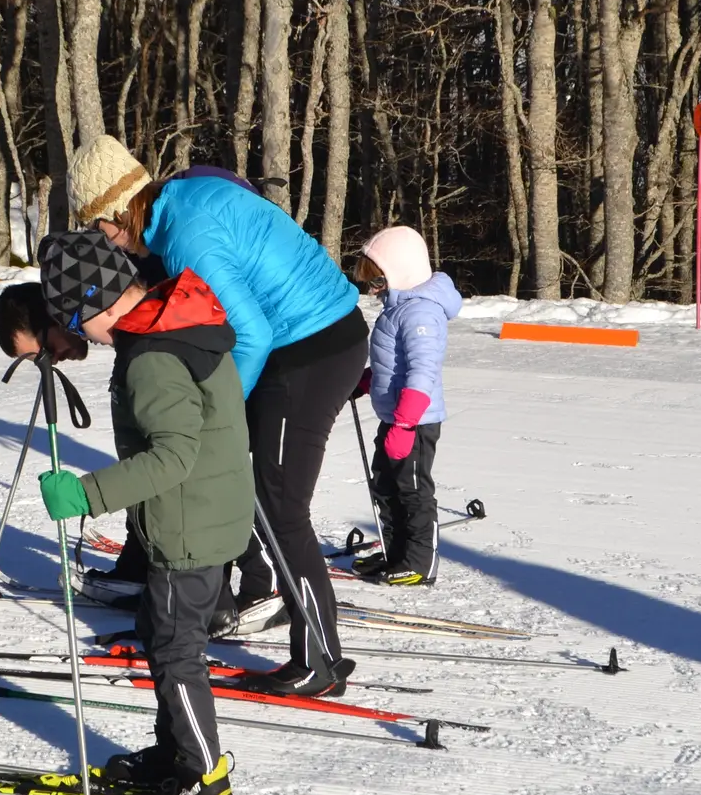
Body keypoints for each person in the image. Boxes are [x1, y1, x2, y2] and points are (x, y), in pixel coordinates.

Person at [68, 135, 365, 697]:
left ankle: (320, 661)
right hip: (300, 341)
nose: (106, 240)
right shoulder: (176, 205)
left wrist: (217, 407)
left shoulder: (186, 238)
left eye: (100, 227)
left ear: (116, 212)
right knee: (230, 474)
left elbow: (251, 334)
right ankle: (208, 609)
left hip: (313, 346)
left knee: (279, 507)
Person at [34, 230, 254, 795]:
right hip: (203, 514)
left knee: (176, 651)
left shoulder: (153, 357)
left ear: (97, 303)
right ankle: (177, 754)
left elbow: (173, 456)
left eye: (78, 323)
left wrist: (87, 494)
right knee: (162, 635)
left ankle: (206, 782)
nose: (83, 337)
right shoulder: (173, 321)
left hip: (189, 526)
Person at [353, 226, 462, 585]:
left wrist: (404, 425)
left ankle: (418, 563)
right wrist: (368, 381)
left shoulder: (420, 314)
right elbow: (394, 364)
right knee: (385, 484)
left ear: (401, 272)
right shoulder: (399, 308)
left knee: (412, 490)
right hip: (396, 418)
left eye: (378, 281)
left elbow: (421, 374)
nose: (373, 290)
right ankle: (394, 552)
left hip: (414, 422)